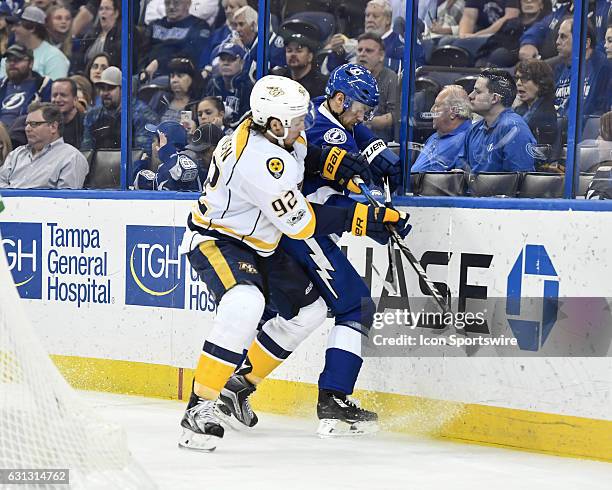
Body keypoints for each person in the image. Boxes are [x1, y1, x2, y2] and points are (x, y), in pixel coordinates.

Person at [177, 74, 409, 450]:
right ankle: (200, 406)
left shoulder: (275, 132)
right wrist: (364, 218)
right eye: (298, 119)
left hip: (263, 245)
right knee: (245, 303)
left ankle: (239, 385)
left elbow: (305, 152)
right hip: (219, 240)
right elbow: (304, 224)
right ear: (273, 123)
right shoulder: (259, 160)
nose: (305, 125)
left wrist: (335, 163)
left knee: (312, 310)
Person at [462, 68, 536, 172]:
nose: (470, 96)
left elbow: (520, 181)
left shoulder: (514, 130)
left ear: (494, 99)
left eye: (477, 92)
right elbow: (465, 169)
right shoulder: (474, 129)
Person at [0, 102, 88, 188]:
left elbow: (66, 199)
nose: (27, 129)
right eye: (27, 124)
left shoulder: (71, 157)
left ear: (53, 127)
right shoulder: (17, 154)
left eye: (34, 124)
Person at [82, 66, 158, 150]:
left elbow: (143, 154)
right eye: (102, 88)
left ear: (123, 89)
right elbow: (87, 151)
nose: (105, 93)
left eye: (111, 88)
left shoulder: (142, 114)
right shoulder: (92, 115)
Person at [324, 0, 405, 74]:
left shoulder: (400, 44)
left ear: (388, 19)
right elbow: (333, 71)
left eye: (375, 16)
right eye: (367, 15)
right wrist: (337, 52)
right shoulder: (355, 42)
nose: (369, 20)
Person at [553, 18, 610, 118]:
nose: (557, 41)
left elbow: (596, 111)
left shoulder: (602, 67)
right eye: (558, 36)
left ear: (586, 43)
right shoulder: (560, 69)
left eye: (563, 37)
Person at [141, 0, 212, 77]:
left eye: (176, 3)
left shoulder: (199, 26)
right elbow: (143, 54)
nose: (171, 7)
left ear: (188, 4)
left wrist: (159, 63)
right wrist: (142, 72)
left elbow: (191, 55)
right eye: (168, 3)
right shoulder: (154, 25)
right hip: (147, 73)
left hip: (176, 76)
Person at [412, 85, 473, 172]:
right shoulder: (434, 136)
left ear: (453, 112)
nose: (431, 110)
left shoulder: (469, 139)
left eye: (437, 106)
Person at [1, 6, 69, 80]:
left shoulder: (54, 57)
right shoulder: (9, 55)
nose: (13, 29)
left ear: (32, 27)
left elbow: (56, 89)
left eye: (17, 25)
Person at [356, 32, 398, 142]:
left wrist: (366, 120)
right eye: (359, 50)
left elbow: (395, 116)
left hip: (380, 140)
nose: (362, 54)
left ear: (381, 56)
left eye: (368, 51)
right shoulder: (350, 77)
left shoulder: (391, 78)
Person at [228, 6, 285, 82]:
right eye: (236, 25)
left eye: (241, 24)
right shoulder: (249, 46)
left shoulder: (273, 46)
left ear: (253, 25)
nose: (237, 29)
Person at [0, 44, 52, 129]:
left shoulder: (44, 85)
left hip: (24, 133)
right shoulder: (1, 85)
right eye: (9, 60)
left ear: (31, 63)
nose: (12, 63)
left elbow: (48, 116)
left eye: (18, 60)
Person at [205, 42, 252, 124]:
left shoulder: (247, 87)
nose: (226, 63)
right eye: (222, 59)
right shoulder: (212, 84)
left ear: (242, 62)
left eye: (231, 59)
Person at [513, 59, 557, 146]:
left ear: (541, 82)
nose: (518, 83)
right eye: (517, 78)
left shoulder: (545, 115)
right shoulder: (520, 108)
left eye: (524, 78)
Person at [272, 32, 328, 99]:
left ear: (310, 56)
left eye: (299, 51)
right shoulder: (279, 80)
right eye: (289, 51)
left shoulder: (322, 85)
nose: (293, 54)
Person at [72, 0, 120, 73]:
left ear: (116, 13)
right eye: (101, 9)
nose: (103, 12)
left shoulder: (121, 35)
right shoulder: (91, 35)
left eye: (107, 9)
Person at [155, 57, 204, 123]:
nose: (174, 80)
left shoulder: (198, 105)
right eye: (172, 76)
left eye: (180, 76)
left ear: (192, 79)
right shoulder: (161, 99)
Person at [51, 78, 84, 148]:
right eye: (54, 95)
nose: (57, 99)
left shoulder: (86, 122)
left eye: (63, 95)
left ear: (75, 99)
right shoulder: (48, 124)